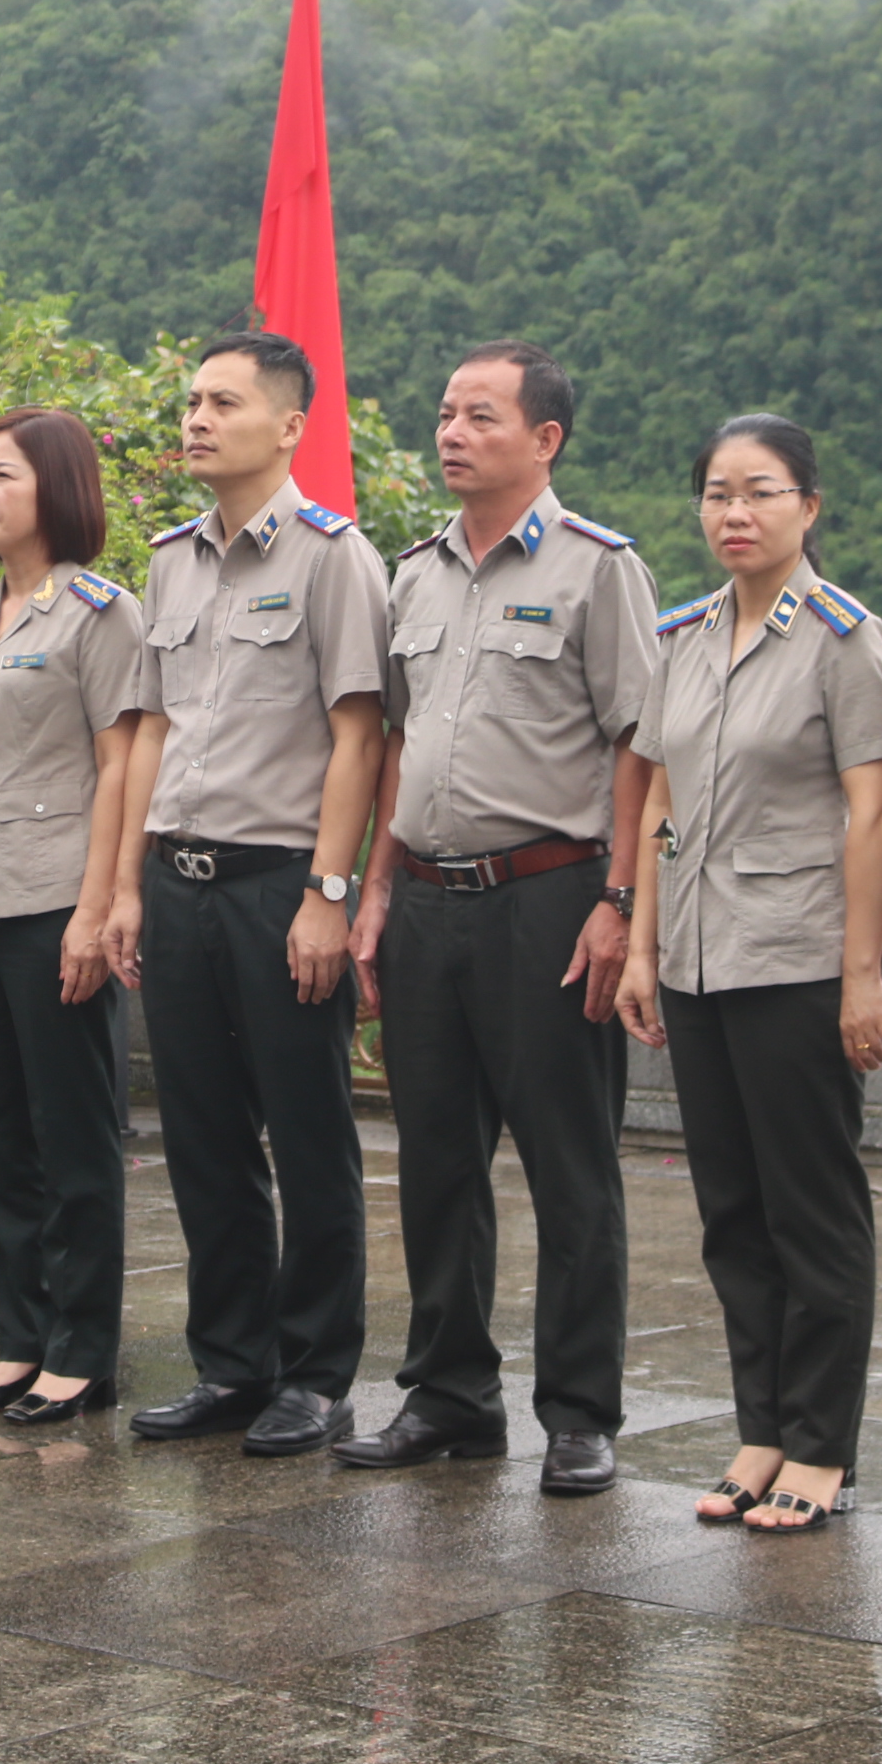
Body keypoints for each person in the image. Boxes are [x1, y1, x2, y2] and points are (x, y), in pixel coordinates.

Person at [342, 343, 658, 1495]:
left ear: (546, 439)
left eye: (481, 414)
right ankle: (448, 1393)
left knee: (570, 1163)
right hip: (428, 898)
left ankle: (579, 1410)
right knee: (434, 1159)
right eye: (445, 412)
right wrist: (375, 891)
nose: (452, 430)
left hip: (550, 896)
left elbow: (639, 743)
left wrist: (619, 902)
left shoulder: (597, 569)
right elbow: (397, 745)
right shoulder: (412, 574)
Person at [615, 413, 882, 1535]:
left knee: (812, 1210)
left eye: (762, 493)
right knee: (732, 1211)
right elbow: (661, 799)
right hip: (692, 957)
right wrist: (639, 943)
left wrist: (862, 975)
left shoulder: (845, 638)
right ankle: (762, 1426)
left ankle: (823, 1446)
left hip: (793, 957)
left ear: (809, 508)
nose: (735, 514)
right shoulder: (680, 635)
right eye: (718, 494)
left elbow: (875, 813)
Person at [118, 332, 390, 1458]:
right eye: (189, 399)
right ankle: (233, 1362)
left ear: (288, 426)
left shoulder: (335, 557)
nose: (195, 417)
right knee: (201, 1134)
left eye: (221, 401)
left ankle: (317, 1372)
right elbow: (152, 728)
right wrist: (127, 884)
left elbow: (358, 733)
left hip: (279, 880)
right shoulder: (170, 561)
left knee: (308, 1129)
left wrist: (328, 893)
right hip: (176, 877)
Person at [0, 405, 142, 1426]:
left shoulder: (99, 613)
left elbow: (119, 765)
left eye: (2, 474)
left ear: (57, 486)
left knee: (71, 1129)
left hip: (52, 900)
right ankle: (20, 1336)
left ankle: (82, 1347)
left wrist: (97, 910)